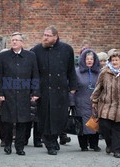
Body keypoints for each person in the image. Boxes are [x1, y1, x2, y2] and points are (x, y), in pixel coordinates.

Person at [31, 25, 77, 155]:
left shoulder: (67, 49)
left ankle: (55, 138)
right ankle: (49, 143)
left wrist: (73, 86)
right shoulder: (36, 50)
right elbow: (34, 72)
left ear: (55, 37)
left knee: (60, 117)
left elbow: (71, 70)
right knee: (46, 118)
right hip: (44, 90)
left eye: (48, 36)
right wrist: (35, 90)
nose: (44, 38)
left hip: (60, 90)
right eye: (44, 35)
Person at [0, 32, 40, 156]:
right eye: (12, 40)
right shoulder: (3, 56)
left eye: (16, 40)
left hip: (24, 94)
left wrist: (35, 92)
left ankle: (20, 147)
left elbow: (35, 74)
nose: (14, 42)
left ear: (22, 42)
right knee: (8, 121)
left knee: (23, 121)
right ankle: (8, 144)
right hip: (8, 93)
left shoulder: (30, 56)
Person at [91, 50, 120, 158]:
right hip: (107, 104)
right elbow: (98, 87)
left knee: (119, 128)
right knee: (104, 126)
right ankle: (109, 144)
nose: (115, 62)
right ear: (110, 61)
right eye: (113, 60)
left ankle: (117, 150)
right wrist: (94, 100)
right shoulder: (105, 72)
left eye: (117, 60)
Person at [74, 49, 101, 152]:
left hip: (95, 102)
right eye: (87, 59)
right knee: (82, 123)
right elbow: (71, 88)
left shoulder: (99, 72)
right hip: (80, 101)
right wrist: (71, 103)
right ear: (83, 60)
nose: (89, 61)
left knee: (95, 122)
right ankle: (83, 145)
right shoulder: (76, 72)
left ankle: (94, 144)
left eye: (91, 59)